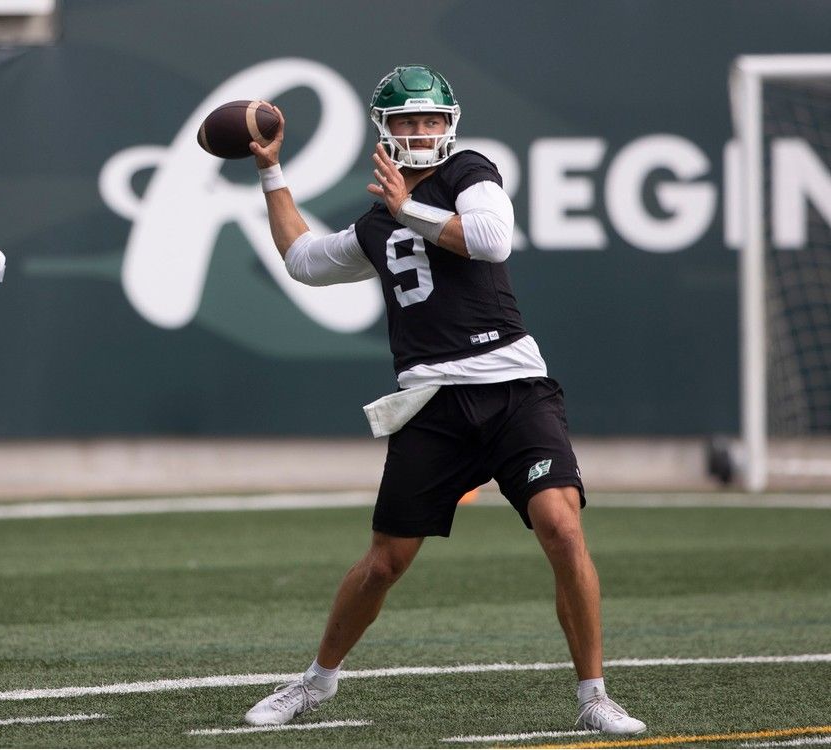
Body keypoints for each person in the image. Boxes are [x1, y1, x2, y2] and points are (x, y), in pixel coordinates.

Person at [243, 64, 646, 736]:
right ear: (386, 130)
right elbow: (303, 260)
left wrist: (407, 208)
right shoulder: (378, 222)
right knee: (384, 563)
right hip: (431, 402)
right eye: (407, 121)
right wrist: (271, 173)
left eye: (430, 120)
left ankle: (594, 695)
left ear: (449, 124)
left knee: (561, 525)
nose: (421, 131)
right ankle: (315, 683)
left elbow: (490, 238)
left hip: (513, 386)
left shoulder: (470, 172)